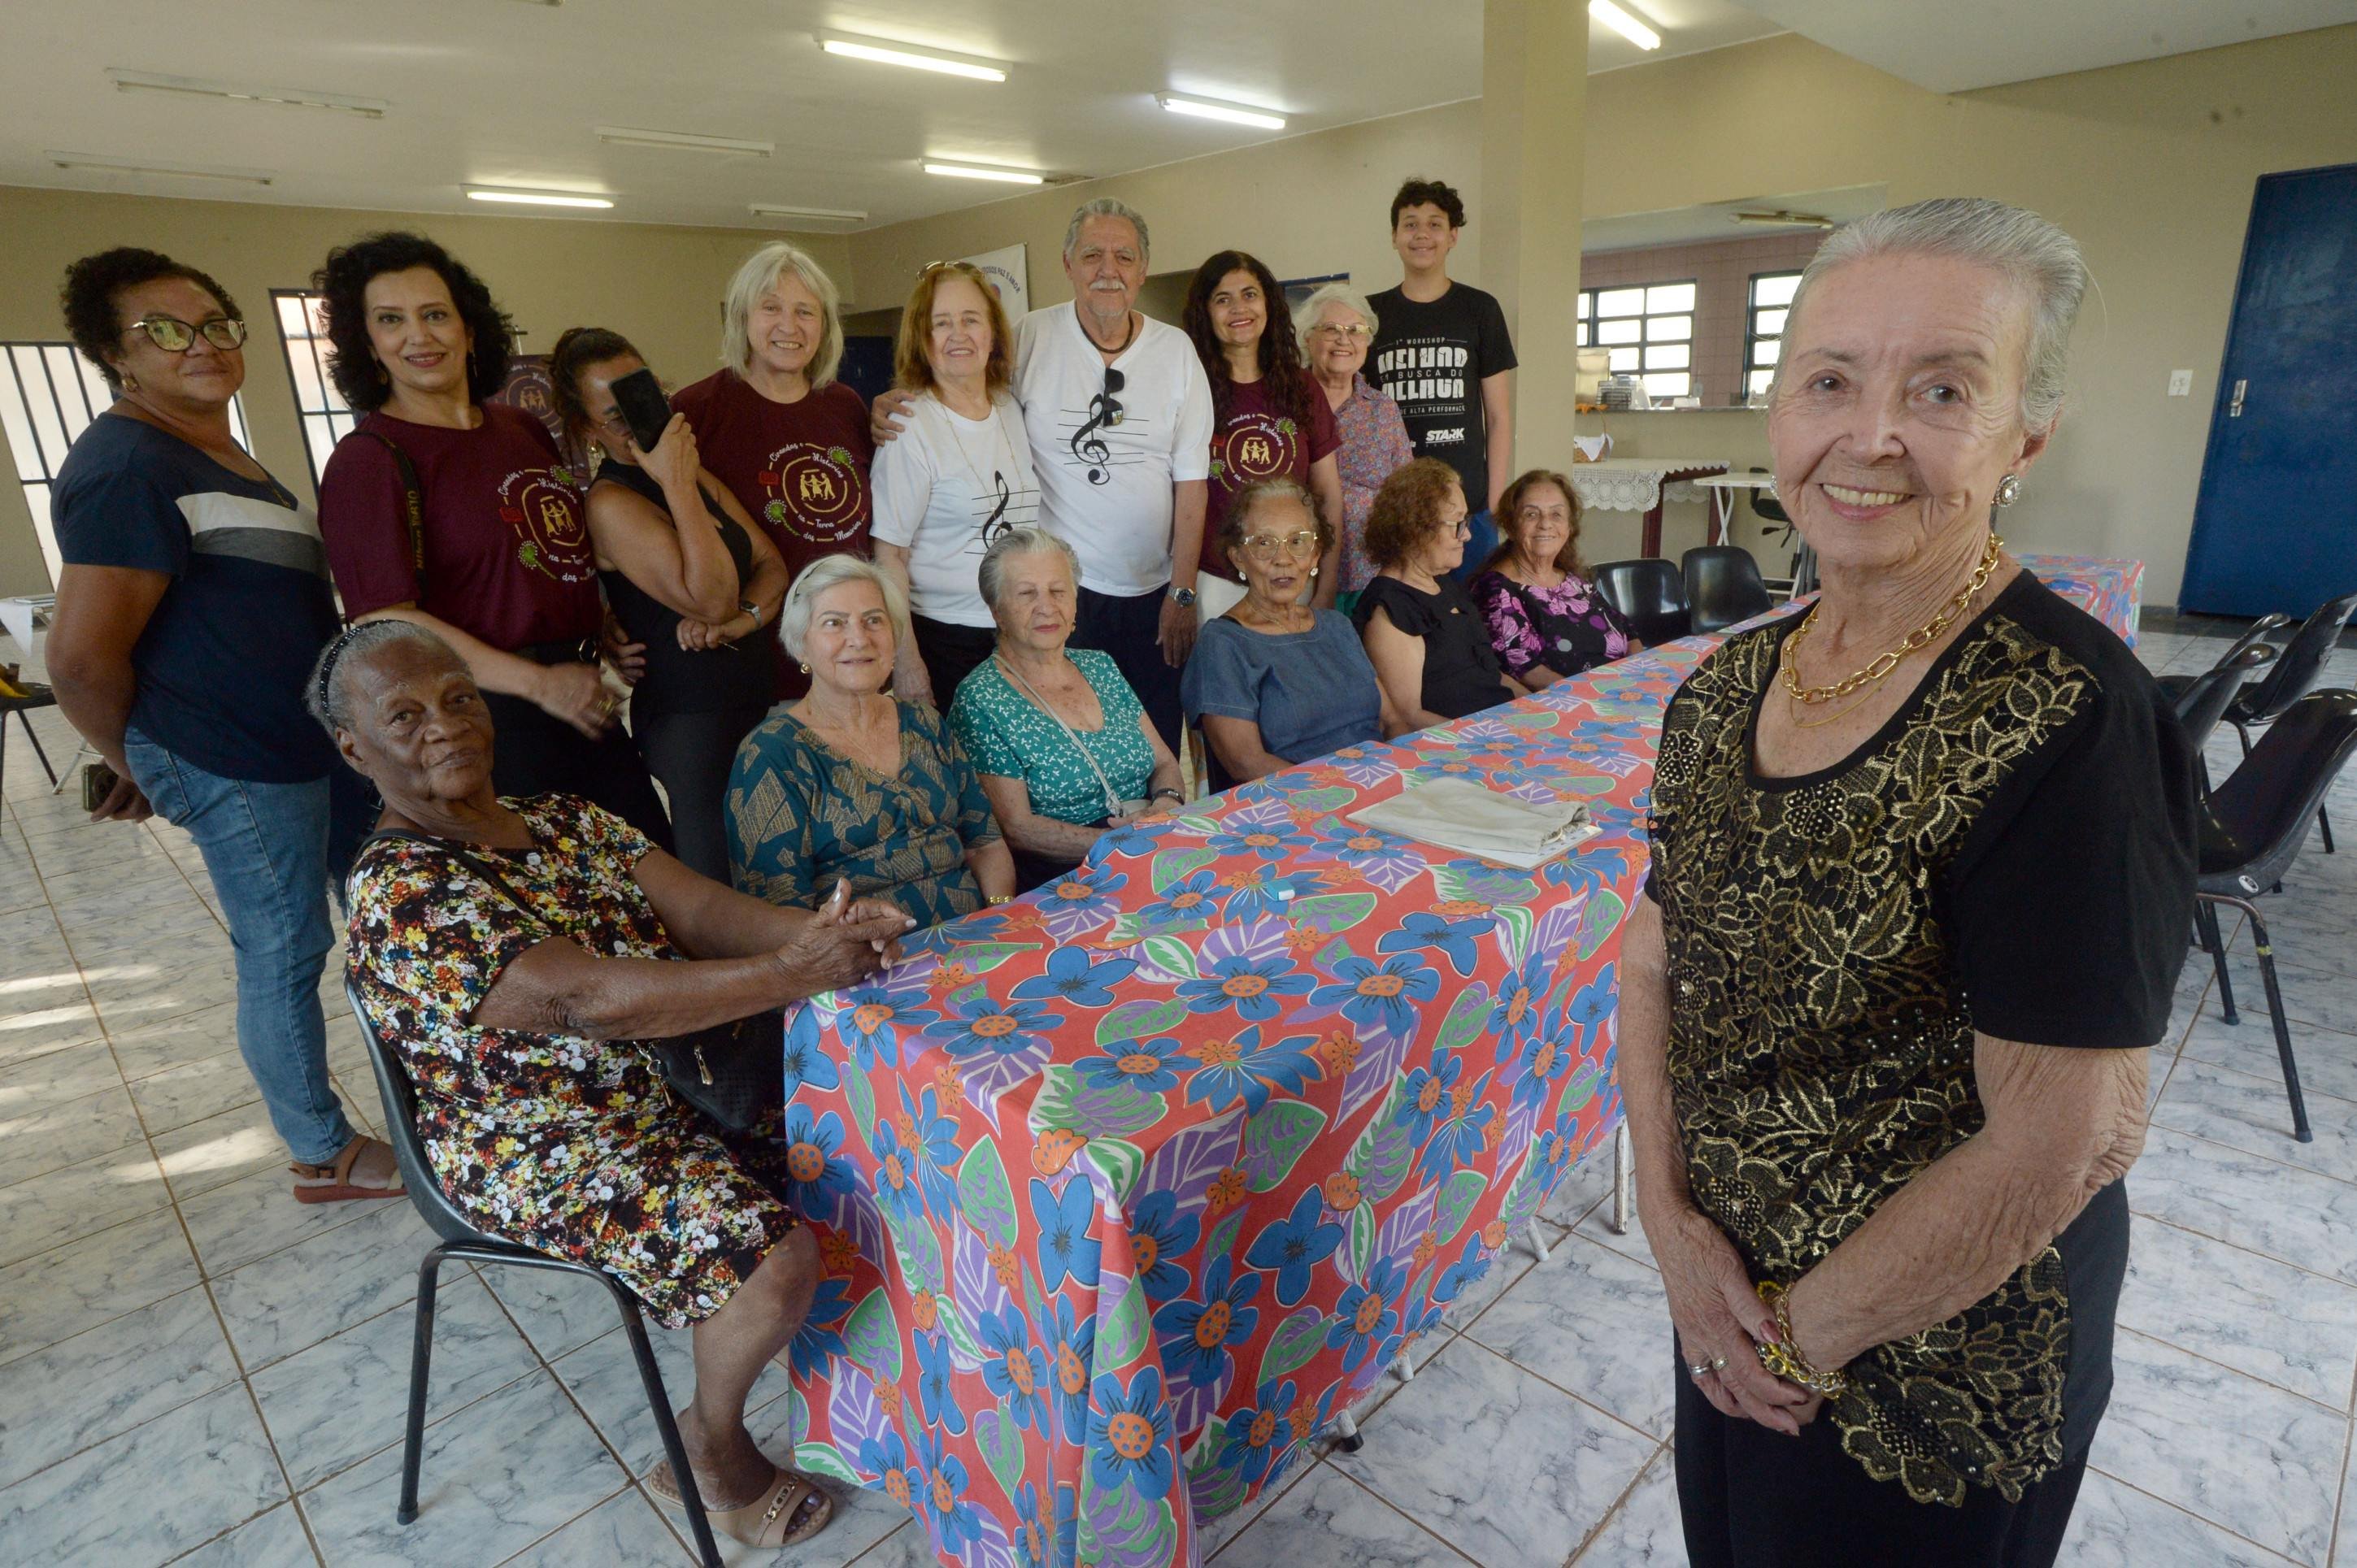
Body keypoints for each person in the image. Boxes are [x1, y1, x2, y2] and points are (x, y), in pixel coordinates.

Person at [1623, 198, 2199, 1568]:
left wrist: (1788, 1339)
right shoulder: (1724, 686)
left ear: (2023, 435)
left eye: (1940, 390)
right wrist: (1669, 1222)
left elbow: (2057, 1142)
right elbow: (1652, 949)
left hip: (1932, 1373)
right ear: (1779, 409)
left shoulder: (2068, 723)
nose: (1869, 433)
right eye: (1828, 380)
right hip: (1727, 1306)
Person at [319, 619, 912, 1551]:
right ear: (355, 748)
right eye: (404, 715)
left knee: (892, 1146)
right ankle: (708, 1448)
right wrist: (791, 973)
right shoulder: (403, 892)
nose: (444, 724)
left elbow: (702, 911)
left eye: (459, 697)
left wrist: (818, 935)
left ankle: (888, 1392)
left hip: (681, 1083)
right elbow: (585, 1001)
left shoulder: (567, 819)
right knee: (771, 1261)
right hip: (536, 1143)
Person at [44, 246, 400, 1206]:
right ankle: (320, 1153)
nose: (200, 343)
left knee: (378, 916)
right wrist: (144, 761)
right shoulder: (127, 466)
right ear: (115, 355)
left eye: (214, 323)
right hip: (236, 754)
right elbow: (79, 662)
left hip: (306, 743)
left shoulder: (213, 450)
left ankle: (427, 1104)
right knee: (284, 949)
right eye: (165, 330)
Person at [311, 232, 671, 845]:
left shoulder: (520, 427)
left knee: (646, 868)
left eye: (435, 314)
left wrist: (598, 616)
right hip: (486, 718)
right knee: (551, 890)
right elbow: (385, 618)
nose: (418, 336)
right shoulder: (369, 461)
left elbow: (549, 549)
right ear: (367, 343)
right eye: (391, 320)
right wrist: (538, 683)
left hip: (583, 700)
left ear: (470, 328)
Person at [874, 199, 1214, 754]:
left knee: (1150, 740)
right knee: (1064, 746)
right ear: (1067, 265)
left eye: (1124, 257)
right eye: (1092, 255)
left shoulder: (1175, 351)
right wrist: (897, 401)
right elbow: (958, 382)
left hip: (1149, 592)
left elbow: (1192, 482)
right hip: (1054, 597)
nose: (1108, 270)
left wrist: (1182, 589)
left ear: (1143, 270)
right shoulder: (1031, 336)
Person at [547, 328, 789, 884]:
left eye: (645, 397)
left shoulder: (691, 472)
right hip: (691, 721)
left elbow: (771, 566)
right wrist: (676, 482)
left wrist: (741, 622)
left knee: (779, 873)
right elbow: (710, 597)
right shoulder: (612, 501)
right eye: (616, 415)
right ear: (586, 428)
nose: (637, 421)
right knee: (720, 888)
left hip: (754, 698)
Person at [728, 556, 1013, 926]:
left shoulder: (924, 723)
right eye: (834, 623)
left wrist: (1001, 913)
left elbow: (985, 844)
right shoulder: (772, 754)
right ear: (800, 646)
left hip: (977, 935)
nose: (859, 639)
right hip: (863, 951)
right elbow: (778, 911)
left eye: (874, 620)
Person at [673, 242, 874, 700]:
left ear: (824, 326)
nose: (789, 326)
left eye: (806, 312)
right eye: (771, 308)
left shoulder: (845, 406)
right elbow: (656, 523)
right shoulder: (697, 410)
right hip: (747, 658)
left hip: (851, 654)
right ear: (741, 318)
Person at [949, 528, 1183, 891]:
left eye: (1058, 591)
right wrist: (1117, 843)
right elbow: (1017, 828)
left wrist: (1167, 803)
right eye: (1027, 593)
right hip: (1070, 876)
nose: (1047, 607)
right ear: (997, 610)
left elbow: (1165, 762)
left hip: (1151, 844)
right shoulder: (980, 698)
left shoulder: (1099, 666)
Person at [871, 261, 1039, 707]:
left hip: (1022, 631)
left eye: (970, 320)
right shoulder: (908, 426)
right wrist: (906, 662)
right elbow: (890, 555)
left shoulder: (1011, 408)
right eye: (941, 323)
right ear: (921, 339)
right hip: (947, 639)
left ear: (993, 333)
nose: (957, 335)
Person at [1181, 479, 1392, 789]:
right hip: (1303, 800)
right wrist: (1344, 790)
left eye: (1297, 541)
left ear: (1315, 554)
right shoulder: (1223, 644)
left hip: (1381, 784)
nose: (1283, 559)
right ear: (1238, 557)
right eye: (1264, 543)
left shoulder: (1337, 626)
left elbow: (1392, 721)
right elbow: (1246, 763)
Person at [1368, 177, 1518, 583]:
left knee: (1470, 612)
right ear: (1395, 236)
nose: (1422, 234)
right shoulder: (1370, 315)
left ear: (1453, 236)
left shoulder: (1480, 309)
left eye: (1435, 224)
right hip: (1393, 506)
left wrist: (1495, 503)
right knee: (1395, 613)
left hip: (1467, 509)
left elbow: (1498, 416)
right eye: (1410, 224)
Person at [1179, 250, 1343, 619]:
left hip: (1294, 576)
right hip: (1214, 582)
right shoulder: (1188, 389)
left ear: (1268, 303)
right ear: (1206, 313)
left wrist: (1326, 586)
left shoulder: (1302, 388)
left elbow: (1329, 495)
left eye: (1250, 294)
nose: (1239, 308)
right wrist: (1183, 592)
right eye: (1223, 299)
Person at [1352, 458, 1524, 728]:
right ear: (1417, 528)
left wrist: (1537, 708)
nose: (1466, 536)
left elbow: (1494, 676)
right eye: (1457, 523)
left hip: (1501, 723)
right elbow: (1407, 718)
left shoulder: (1444, 584)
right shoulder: (1391, 609)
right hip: (1464, 741)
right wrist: (1491, 738)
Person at [1298, 283, 1415, 611]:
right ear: (1308, 338)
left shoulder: (1383, 409)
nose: (1344, 340)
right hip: (1297, 572)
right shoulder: (1286, 401)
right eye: (1331, 329)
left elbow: (1408, 495)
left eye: (1355, 331)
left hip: (1372, 575)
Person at [1470, 468, 1640, 688]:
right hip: (1570, 700)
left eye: (1556, 515)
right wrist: (1598, 693)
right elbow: (1524, 670)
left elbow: (1626, 629)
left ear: (1569, 527)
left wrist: (1636, 674)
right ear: (1511, 527)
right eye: (1531, 514)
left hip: (1623, 689)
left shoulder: (1571, 580)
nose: (1545, 524)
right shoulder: (1496, 589)